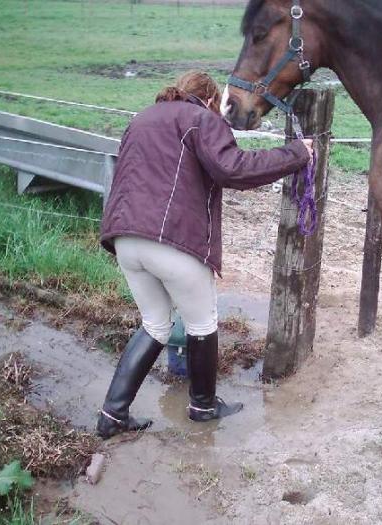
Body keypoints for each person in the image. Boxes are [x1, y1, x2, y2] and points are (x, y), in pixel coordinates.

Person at [96, 71, 313, 439]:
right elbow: (233, 168)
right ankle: (203, 405)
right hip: (170, 240)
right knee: (202, 323)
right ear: (211, 100)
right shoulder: (201, 118)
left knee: (155, 323)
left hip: (125, 239)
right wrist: (297, 153)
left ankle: (112, 415)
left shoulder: (142, 118)